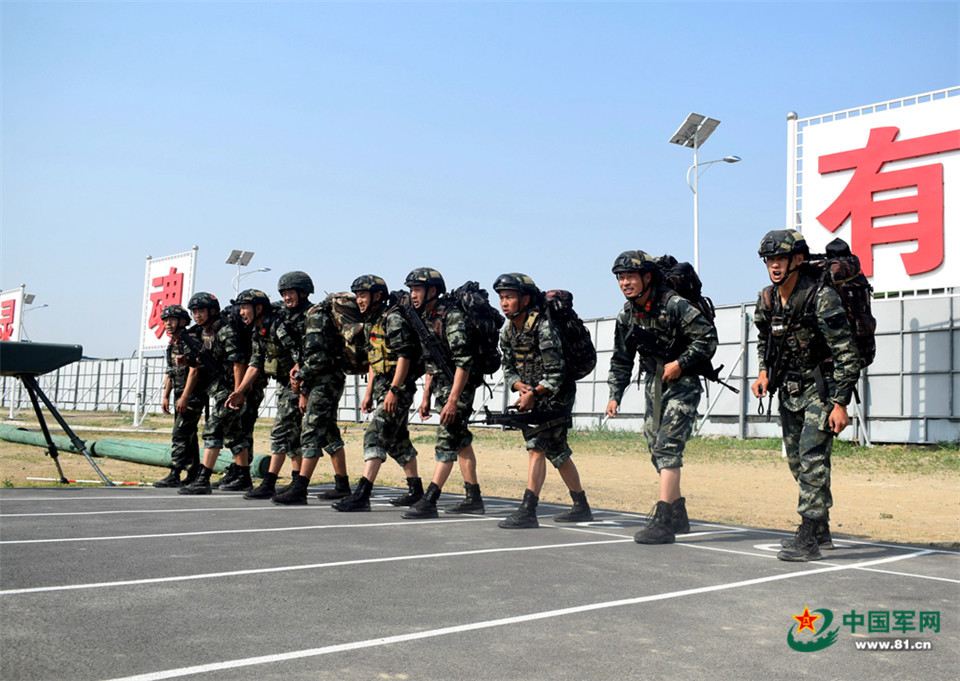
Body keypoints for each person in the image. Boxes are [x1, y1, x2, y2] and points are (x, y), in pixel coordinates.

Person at [751, 229, 860, 562]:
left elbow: (846, 352)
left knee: (813, 461)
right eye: (769, 259)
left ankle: (808, 536)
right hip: (788, 390)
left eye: (781, 258)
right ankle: (821, 529)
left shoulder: (821, 297)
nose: (774, 265)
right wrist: (764, 372)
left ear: (798, 259)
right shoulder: (767, 300)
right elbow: (764, 340)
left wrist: (840, 403)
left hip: (821, 390)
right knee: (798, 463)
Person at [605, 250, 717, 544]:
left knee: (668, 446)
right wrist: (615, 395)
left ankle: (664, 519)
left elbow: (708, 338)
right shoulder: (627, 315)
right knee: (655, 445)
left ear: (647, 277)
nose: (625, 283)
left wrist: (680, 363)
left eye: (630, 276)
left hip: (683, 384)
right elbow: (621, 359)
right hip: (654, 384)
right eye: (621, 277)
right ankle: (678, 514)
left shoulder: (674, 304)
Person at [493, 273, 593, 529]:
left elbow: (557, 373)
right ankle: (581, 506)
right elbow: (507, 367)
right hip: (534, 395)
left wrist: (534, 393)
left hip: (556, 395)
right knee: (557, 452)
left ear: (525, 299)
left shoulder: (543, 328)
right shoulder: (509, 331)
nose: (504, 303)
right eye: (501, 298)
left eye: (509, 297)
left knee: (536, 446)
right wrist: (518, 386)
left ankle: (528, 510)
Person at [332, 275, 422, 512]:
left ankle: (362, 495)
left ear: (377, 296)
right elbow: (374, 360)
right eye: (357, 295)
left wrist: (394, 390)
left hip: (398, 388)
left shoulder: (392, 319)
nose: (359, 300)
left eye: (363, 295)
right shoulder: (372, 321)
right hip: (383, 387)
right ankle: (416, 491)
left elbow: (405, 355)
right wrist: (369, 392)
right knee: (398, 442)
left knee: (374, 436)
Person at [401, 267, 485, 520]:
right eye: (411, 290)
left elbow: (464, 361)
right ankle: (474, 499)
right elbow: (432, 359)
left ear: (433, 291)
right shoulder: (426, 317)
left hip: (459, 387)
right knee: (461, 441)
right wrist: (426, 395)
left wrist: (453, 400)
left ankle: (430, 499)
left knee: (446, 440)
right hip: (441, 386)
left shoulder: (452, 317)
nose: (413, 294)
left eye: (417, 289)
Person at [229, 275, 311, 503]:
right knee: (292, 436)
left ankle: (269, 482)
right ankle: (296, 480)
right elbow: (255, 363)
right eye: (240, 308)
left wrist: (302, 389)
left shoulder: (278, 327)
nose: (241, 313)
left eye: (245, 308)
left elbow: (300, 356)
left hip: (296, 384)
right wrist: (240, 391)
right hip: (285, 384)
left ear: (258, 308)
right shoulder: (258, 331)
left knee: (280, 431)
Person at [281, 284, 351, 505]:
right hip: (320, 381)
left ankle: (300, 489)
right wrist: (303, 386)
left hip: (326, 381)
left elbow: (317, 358)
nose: (286, 297)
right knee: (329, 433)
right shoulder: (305, 317)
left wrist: (299, 376)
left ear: (303, 293)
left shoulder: (315, 317)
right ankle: (342, 485)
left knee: (310, 432)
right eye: (284, 293)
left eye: (290, 292)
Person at [179, 292, 254, 495]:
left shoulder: (224, 331)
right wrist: (188, 361)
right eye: (194, 312)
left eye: (201, 311)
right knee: (234, 434)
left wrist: (238, 392)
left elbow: (238, 362)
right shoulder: (205, 333)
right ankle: (244, 477)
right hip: (220, 388)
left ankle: (202, 479)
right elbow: (205, 359)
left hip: (229, 389)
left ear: (212, 311)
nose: (197, 315)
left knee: (212, 430)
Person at [153, 304, 206, 488]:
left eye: (172, 320)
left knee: (180, 433)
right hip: (179, 393)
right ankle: (192, 472)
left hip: (191, 394)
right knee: (189, 435)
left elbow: (194, 370)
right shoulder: (173, 343)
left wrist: (185, 396)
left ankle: (175, 473)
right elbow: (170, 372)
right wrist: (166, 396)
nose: (168, 324)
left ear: (183, 322)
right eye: (165, 320)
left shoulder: (189, 341)